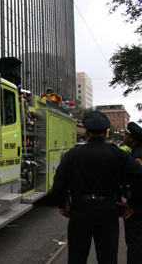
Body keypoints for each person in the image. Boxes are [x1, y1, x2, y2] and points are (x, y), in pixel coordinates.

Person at [52, 111, 142, 264]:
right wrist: (132, 204)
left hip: (81, 210)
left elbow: (59, 182)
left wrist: (62, 205)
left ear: (86, 132)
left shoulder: (73, 154)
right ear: (106, 132)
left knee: (77, 257)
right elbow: (139, 177)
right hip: (108, 210)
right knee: (107, 258)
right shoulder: (119, 155)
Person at [122, 122, 142, 263]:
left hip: (138, 209)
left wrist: (131, 205)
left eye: (126, 134)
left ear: (132, 138)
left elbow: (138, 183)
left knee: (135, 244)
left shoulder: (137, 156)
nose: (124, 136)